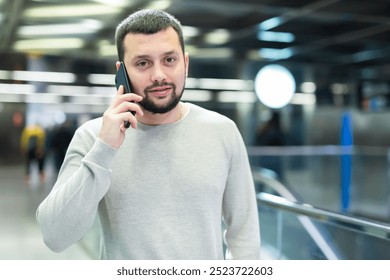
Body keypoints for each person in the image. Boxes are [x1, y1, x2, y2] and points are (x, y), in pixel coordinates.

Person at [36, 9, 260, 260]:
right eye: (143, 63)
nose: (159, 75)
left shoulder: (223, 131)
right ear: (121, 72)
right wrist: (104, 149)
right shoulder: (93, 137)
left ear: (185, 63)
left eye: (169, 60)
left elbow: (244, 233)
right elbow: (55, 236)